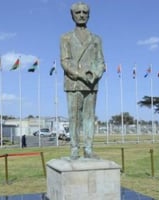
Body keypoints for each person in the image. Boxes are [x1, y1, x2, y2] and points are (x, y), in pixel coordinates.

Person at [60, 2, 105, 159]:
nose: (81, 15)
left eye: (84, 12)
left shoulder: (96, 39)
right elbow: (64, 62)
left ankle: (88, 148)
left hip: (91, 83)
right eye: (78, 12)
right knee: (74, 117)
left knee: (89, 117)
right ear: (72, 15)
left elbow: (101, 62)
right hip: (73, 83)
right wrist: (80, 75)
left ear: (89, 15)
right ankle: (74, 148)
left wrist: (95, 74)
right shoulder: (65, 37)